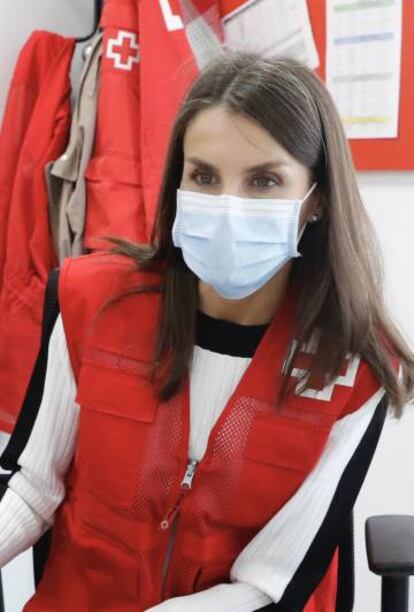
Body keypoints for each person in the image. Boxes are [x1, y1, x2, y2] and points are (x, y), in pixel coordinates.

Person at [0, 51, 413, 612]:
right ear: (178, 182)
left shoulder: (354, 368)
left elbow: (271, 580)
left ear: (315, 201)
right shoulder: (89, 302)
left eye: (264, 180)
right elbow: (30, 490)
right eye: (204, 176)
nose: (227, 208)